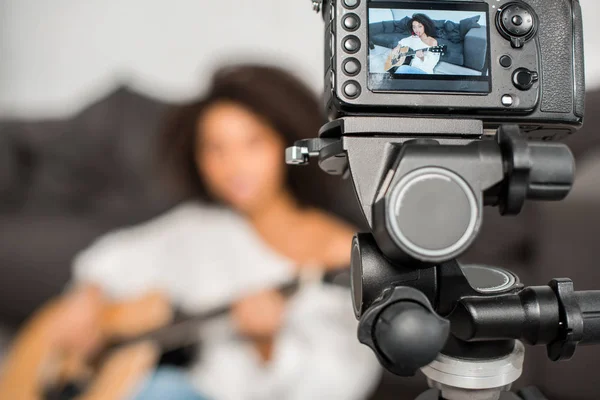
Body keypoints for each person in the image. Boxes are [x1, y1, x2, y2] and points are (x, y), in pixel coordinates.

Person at [0, 65, 381, 400]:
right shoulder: (202, 227)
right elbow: (113, 259)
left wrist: (267, 345)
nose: (233, 166)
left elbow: (339, 386)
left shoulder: (345, 254)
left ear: (286, 145)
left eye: (252, 143)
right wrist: (87, 300)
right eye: (214, 148)